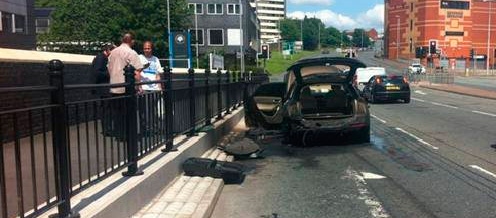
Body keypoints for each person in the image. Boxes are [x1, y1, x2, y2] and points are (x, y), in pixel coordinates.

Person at [107, 32, 144, 140]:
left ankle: (119, 135)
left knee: (117, 114)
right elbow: (137, 72)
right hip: (127, 88)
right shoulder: (131, 53)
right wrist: (139, 86)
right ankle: (129, 136)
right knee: (129, 113)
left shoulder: (113, 52)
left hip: (114, 87)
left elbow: (109, 68)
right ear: (132, 41)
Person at [138, 41, 164, 136]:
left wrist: (159, 87)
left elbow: (158, 74)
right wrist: (139, 86)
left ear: (151, 49)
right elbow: (137, 73)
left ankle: (154, 128)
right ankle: (145, 129)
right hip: (145, 87)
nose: (147, 50)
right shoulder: (140, 58)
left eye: (148, 48)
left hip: (154, 88)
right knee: (145, 110)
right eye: (145, 48)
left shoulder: (155, 59)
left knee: (153, 110)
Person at [92, 44, 115, 135]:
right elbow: (97, 72)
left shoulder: (105, 58)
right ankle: (106, 129)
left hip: (105, 88)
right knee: (105, 109)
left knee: (108, 109)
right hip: (103, 88)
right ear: (109, 50)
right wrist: (109, 73)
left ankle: (108, 128)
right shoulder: (101, 58)